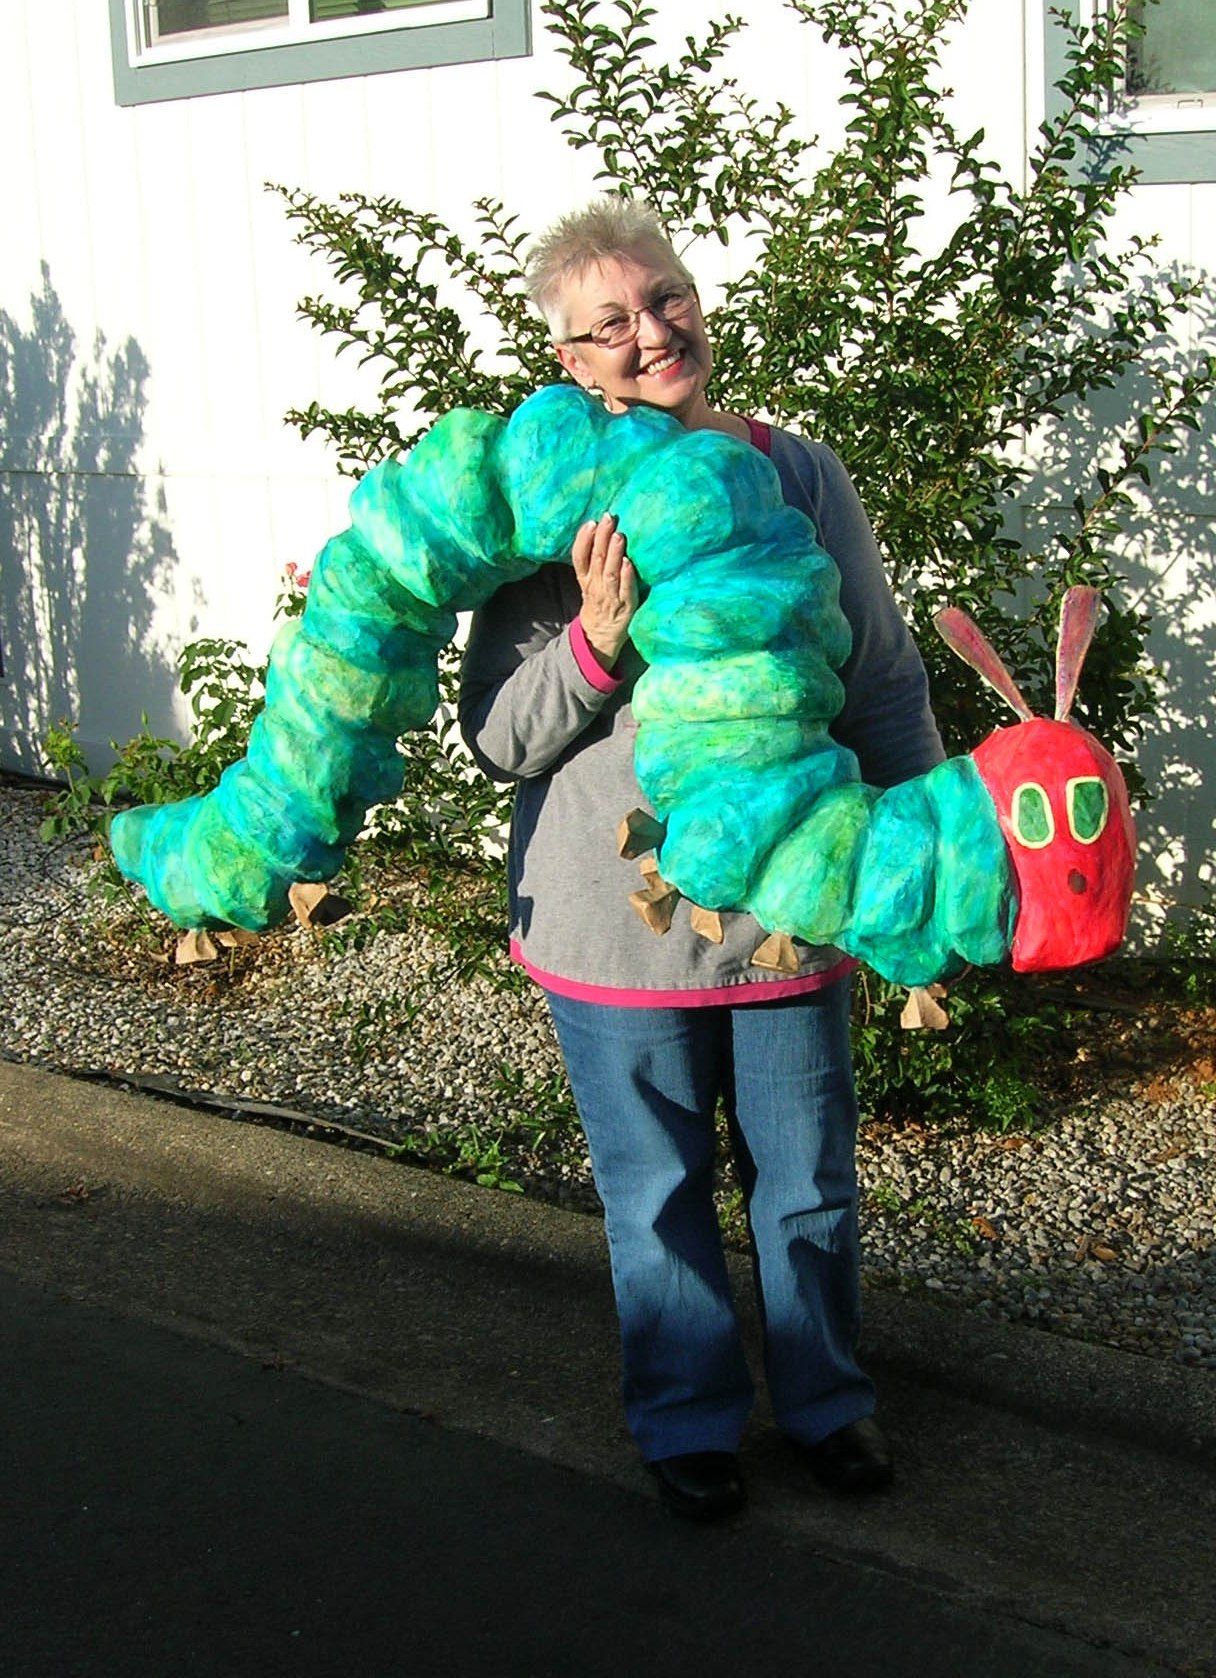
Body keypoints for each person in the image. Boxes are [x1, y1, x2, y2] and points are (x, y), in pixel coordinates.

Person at [458, 198, 944, 1521]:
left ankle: (828, 1400)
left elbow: (881, 680)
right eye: (607, 324)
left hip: (788, 901)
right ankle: (687, 1417)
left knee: (807, 1172)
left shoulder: (798, 472)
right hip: (612, 929)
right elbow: (500, 736)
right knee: (656, 1186)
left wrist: (920, 862)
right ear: (568, 360)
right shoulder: (540, 506)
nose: (649, 333)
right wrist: (599, 640)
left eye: (663, 297)